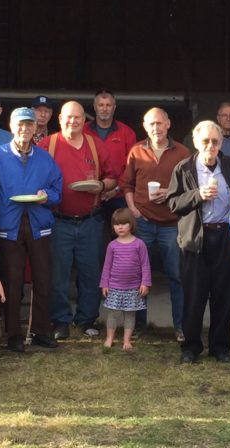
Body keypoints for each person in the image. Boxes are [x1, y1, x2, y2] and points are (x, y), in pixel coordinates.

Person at [0, 106, 63, 352]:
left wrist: (46, 196)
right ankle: (13, 334)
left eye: (29, 124)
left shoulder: (45, 158)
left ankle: (40, 330)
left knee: (42, 279)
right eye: (20, 124)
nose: (25, 129)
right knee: (12, 280)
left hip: (39, 224)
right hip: (9, 224)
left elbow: (57, 191)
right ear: (11, 126)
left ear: (35, 127)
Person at [167, 120, 230, 363]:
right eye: (206, 141)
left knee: (223, 294)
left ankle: (220, 347)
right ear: (196, 141)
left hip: (225, 236)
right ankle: (190, 347)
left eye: (215, 141)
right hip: (195, 238)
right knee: (194, 295)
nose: (211, 145)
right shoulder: (184, 168)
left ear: (221, 143)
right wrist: (197, 195)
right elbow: (173, 203)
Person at [39, 101, 116, 339]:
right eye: (69, 117)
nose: (73, 121)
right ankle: (60, 320)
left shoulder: (95, 145)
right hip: (58, 220)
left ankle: (87, 319)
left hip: (90, 220)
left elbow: (113, 177)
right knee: (58, 275)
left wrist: (101, 185)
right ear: (60, 119)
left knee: (91, 272)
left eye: (78, 117)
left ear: (84, 120)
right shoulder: (47, 144)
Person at [121, 107, 192, 337]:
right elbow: (127, 184)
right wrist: (133, 210)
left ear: (168, 124)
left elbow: (190, 188)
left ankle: (181, 326)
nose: (156, 128)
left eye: (159, 123)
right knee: (138, 276)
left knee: (176, 277)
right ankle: (139, 325)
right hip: (143, 222)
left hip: (171, 224)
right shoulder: (136, 151)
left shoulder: (182, 152)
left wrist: (169, 193)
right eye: (151, 124)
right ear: (144, 126)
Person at [99, 208, 152, 351]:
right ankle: (109, 338)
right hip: (114, 287)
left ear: (132, 224)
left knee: (130, 314)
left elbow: (145, 265)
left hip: (133, 288)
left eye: (123, 223)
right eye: (116, 224)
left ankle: (127, 341)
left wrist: (145, 283)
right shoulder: (112, 245)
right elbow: (107, 266)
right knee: (113, 314)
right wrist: (104, 284)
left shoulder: (139, 244)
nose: (120, 227)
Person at [85, 91, 137, 233]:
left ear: (114, 107)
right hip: (88, 195)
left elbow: (131, 167)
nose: (104, 108)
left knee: (122, 238)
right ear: (94, 107)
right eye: (101, 105)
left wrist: (116, 189)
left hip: (118, 196)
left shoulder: (127, 132)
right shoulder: (83, 130)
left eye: (108, 105)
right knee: (90, 238)